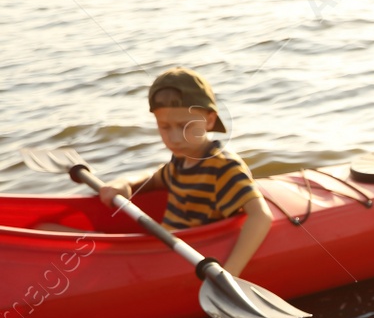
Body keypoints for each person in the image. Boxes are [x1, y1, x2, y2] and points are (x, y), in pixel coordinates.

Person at [97, 67, 271, 278]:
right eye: (165, 127)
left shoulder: (223, 166)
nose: (175, 138)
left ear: (209, 120)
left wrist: (229, 274)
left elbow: (261, 216)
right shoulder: (181, 160)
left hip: (185, 255)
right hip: (167, 244)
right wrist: (126, 181)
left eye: (185, 126)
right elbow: (155, 179)